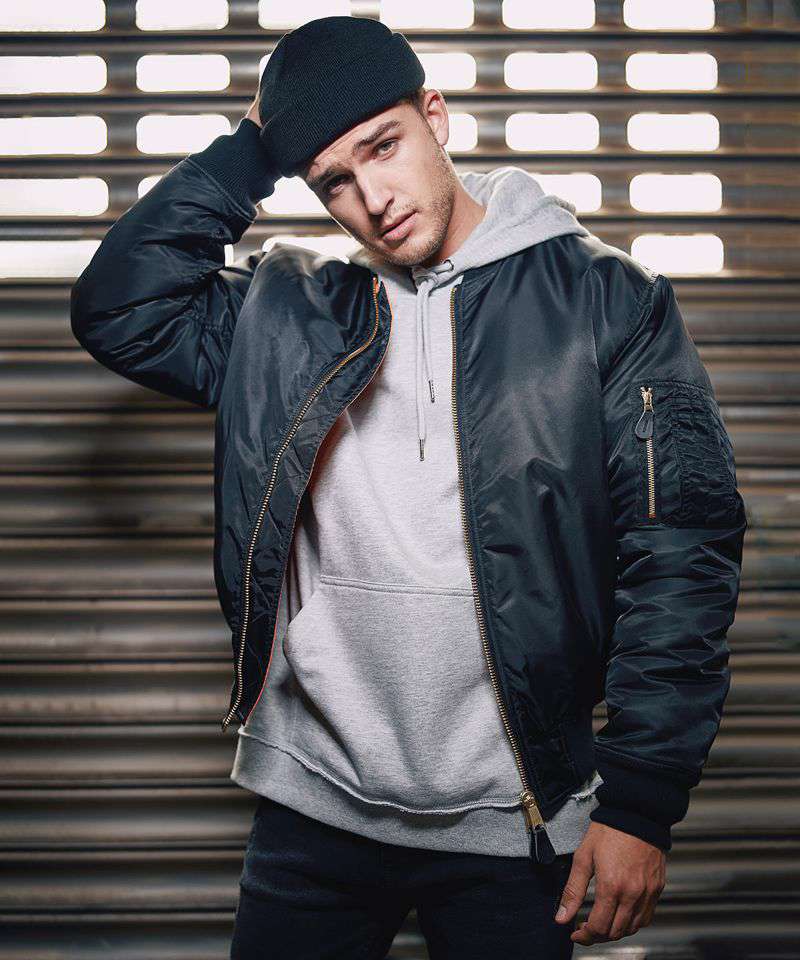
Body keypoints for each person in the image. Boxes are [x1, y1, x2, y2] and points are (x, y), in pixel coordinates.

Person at [69, 15, 747, 960]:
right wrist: (257, 148)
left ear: (436, 115)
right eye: (333, 181)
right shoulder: (291, 314)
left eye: (383, 147)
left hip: (516, 821)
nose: (373, 199)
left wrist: (641, 802)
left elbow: (682, 555)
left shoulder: (607, 300)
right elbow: (121, 307)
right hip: (312, 810)